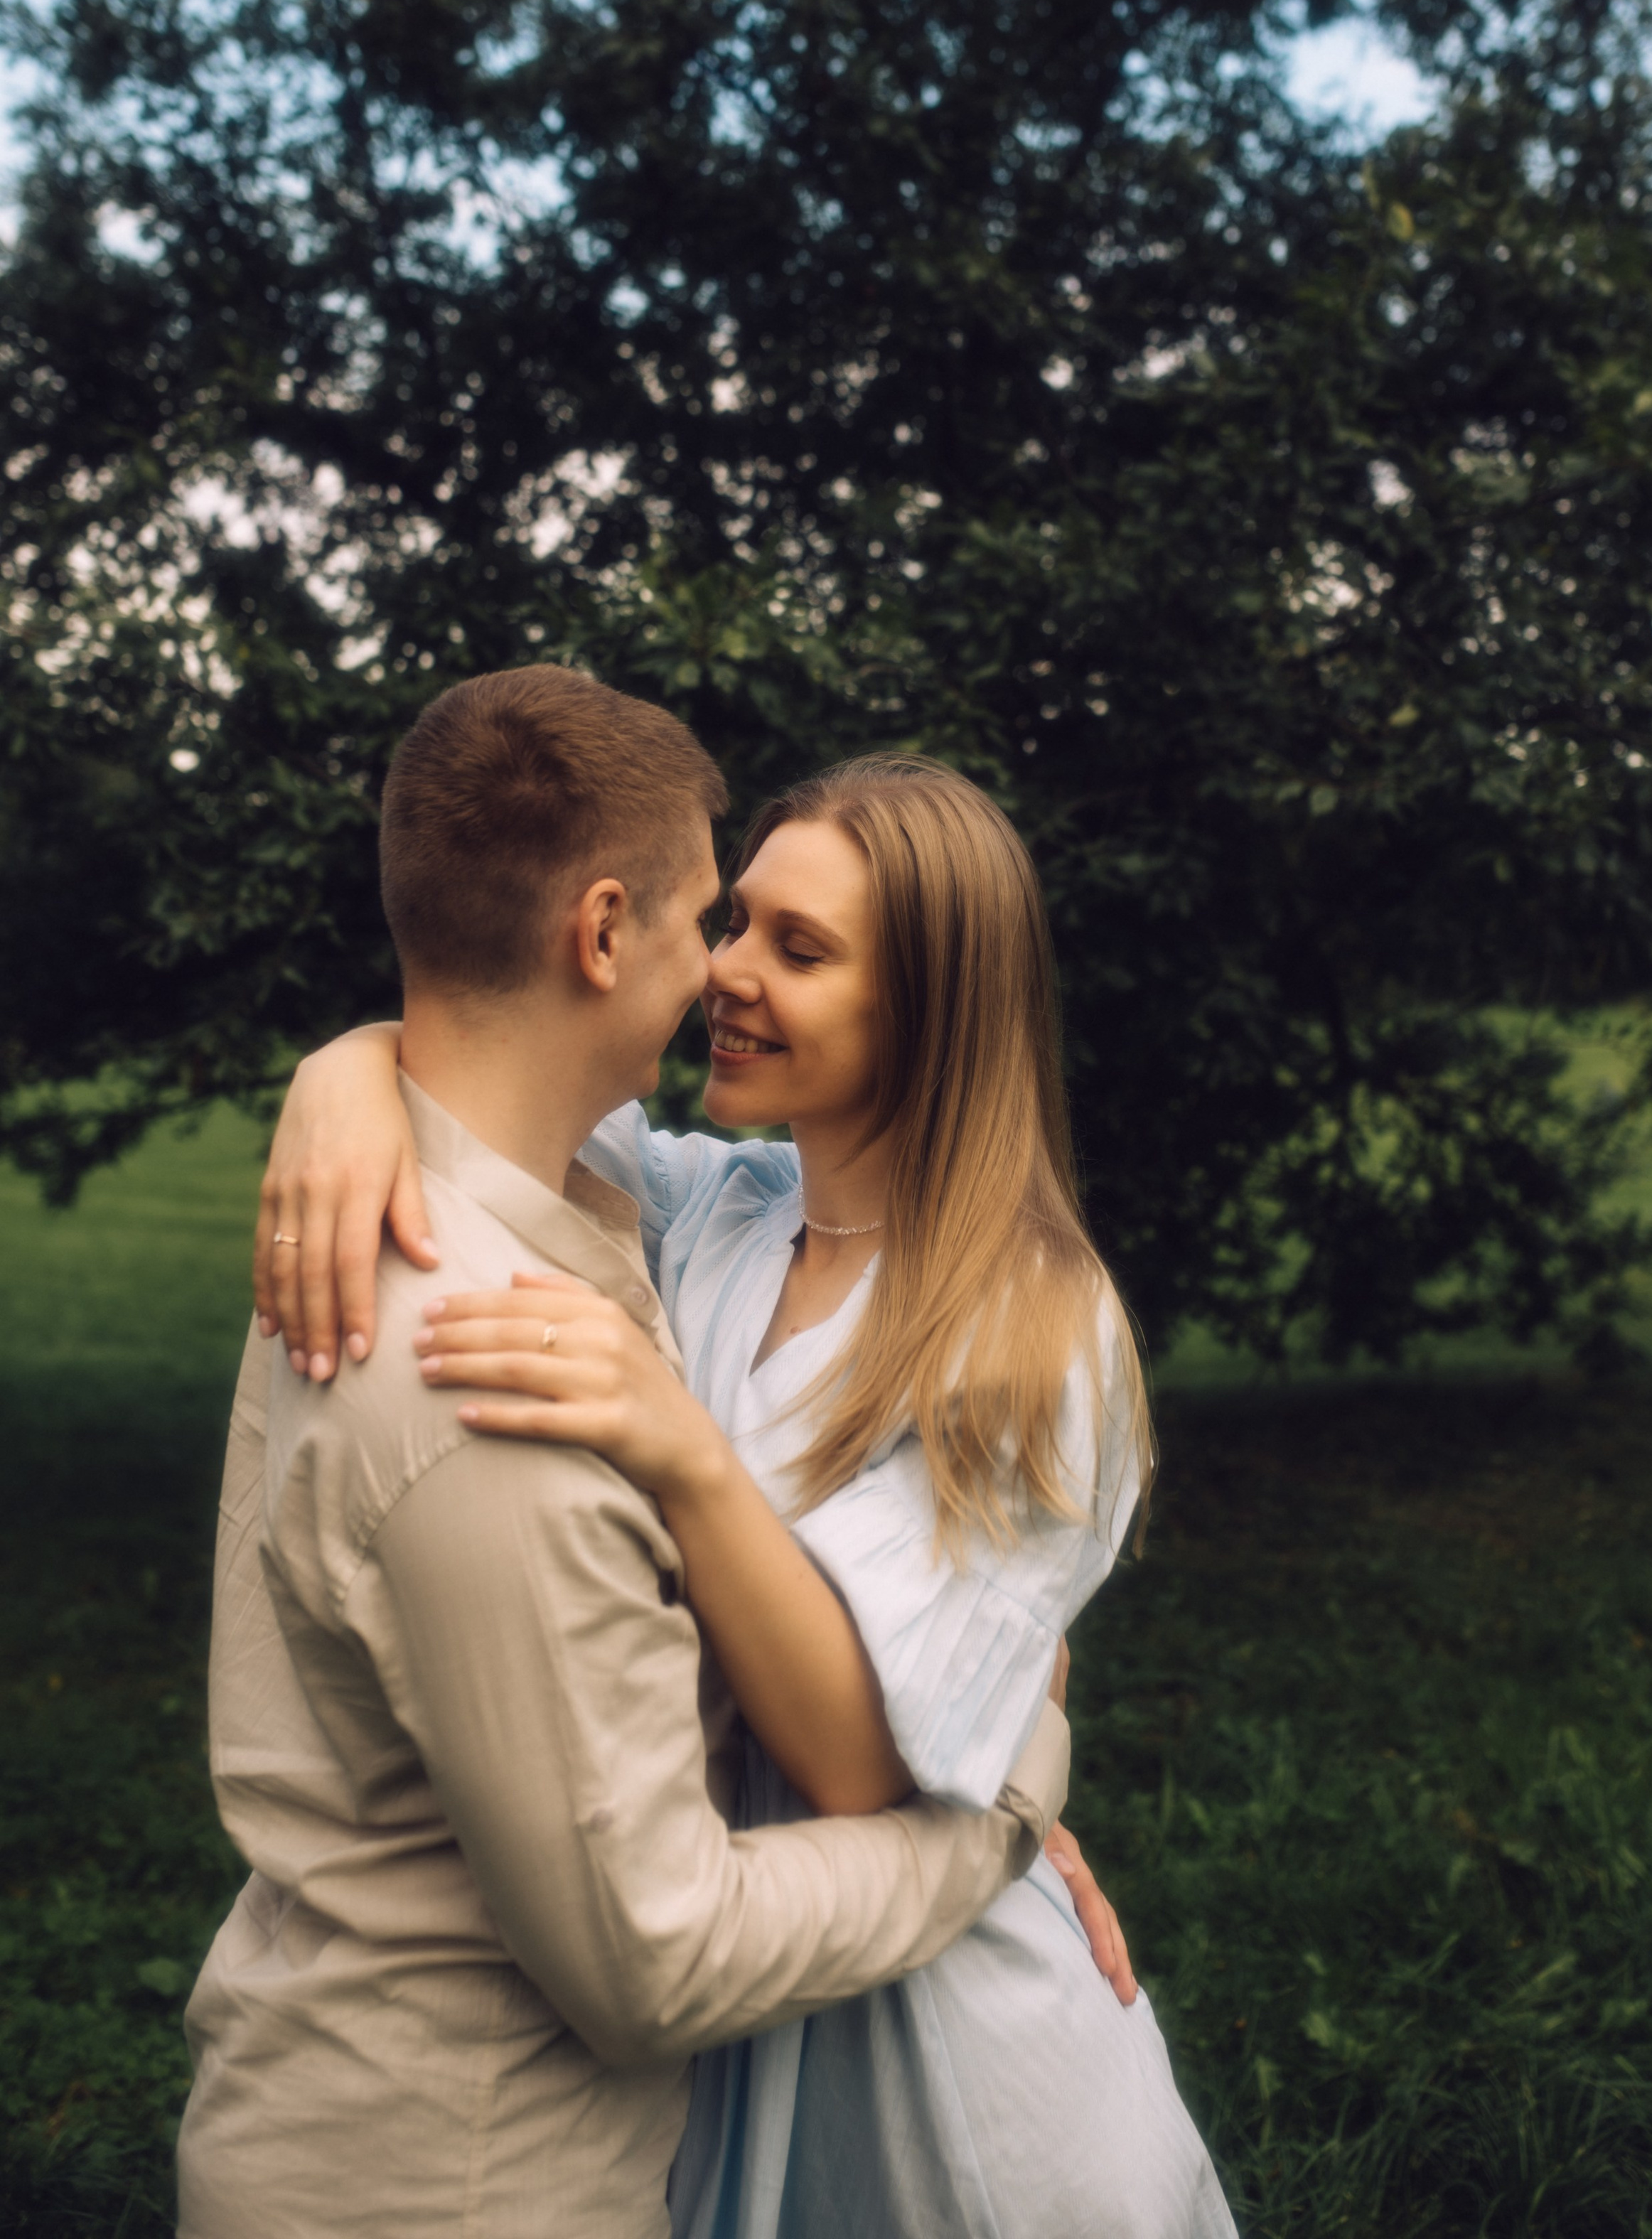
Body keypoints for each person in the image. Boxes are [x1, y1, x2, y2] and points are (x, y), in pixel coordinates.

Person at [262, 746, 1239, 2238]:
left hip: (951, 2062)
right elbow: (485, 1065)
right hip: (720, 1995)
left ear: (930, 1005)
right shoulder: (707, 1208)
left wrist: (681, 1447)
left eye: (799, 948)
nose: (725, 971)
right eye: (732, 925)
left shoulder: (1034, 1324)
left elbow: (858, 1763)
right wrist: (335, 1077)